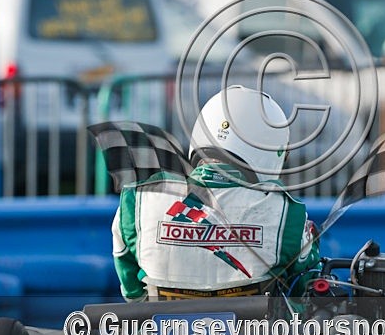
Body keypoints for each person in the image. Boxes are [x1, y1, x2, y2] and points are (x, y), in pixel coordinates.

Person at [111, 85, 320, 302]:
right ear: (271, 148)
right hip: (255, 333)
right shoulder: (287, 213)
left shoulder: (137, 199)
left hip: (162, 331)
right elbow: (302, 289)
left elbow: (131, 291)